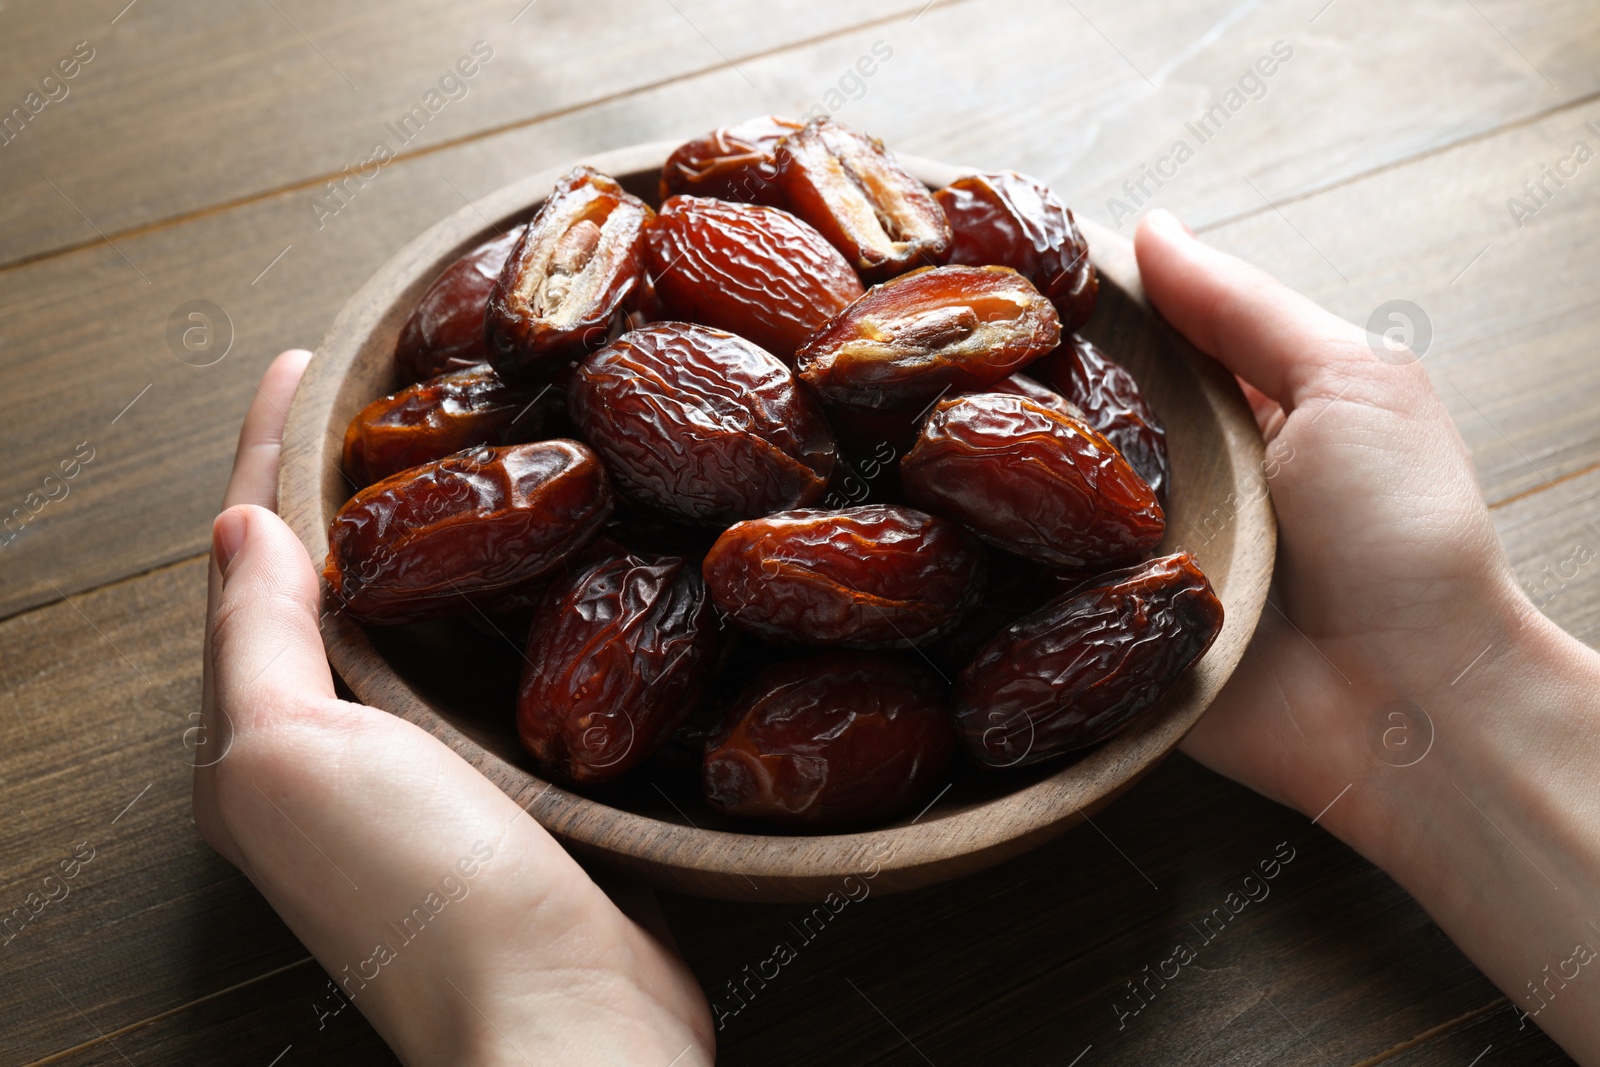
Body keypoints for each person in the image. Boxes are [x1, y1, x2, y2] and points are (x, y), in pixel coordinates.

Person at [195, 209, 1600, 1064]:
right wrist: (1453, 704)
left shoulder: (941, 462)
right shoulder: (635, 418)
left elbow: (975, 604)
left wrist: (553, 1024)